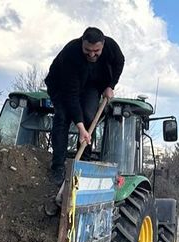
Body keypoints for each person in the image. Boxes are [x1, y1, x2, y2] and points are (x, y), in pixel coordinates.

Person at [44, 27, 124, 186]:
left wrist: (110, 85)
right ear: (82, 42)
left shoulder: (111, 47)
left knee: (89, 116)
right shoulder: (71, 54)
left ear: (103, 45)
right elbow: (71, 96)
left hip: (91, 84)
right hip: (61, 86)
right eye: (88, 50)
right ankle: (58, 166)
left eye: (96, 50)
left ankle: (83, 162)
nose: (92, 54)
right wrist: (80, 128)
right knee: (63, 117)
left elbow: (119, 62)